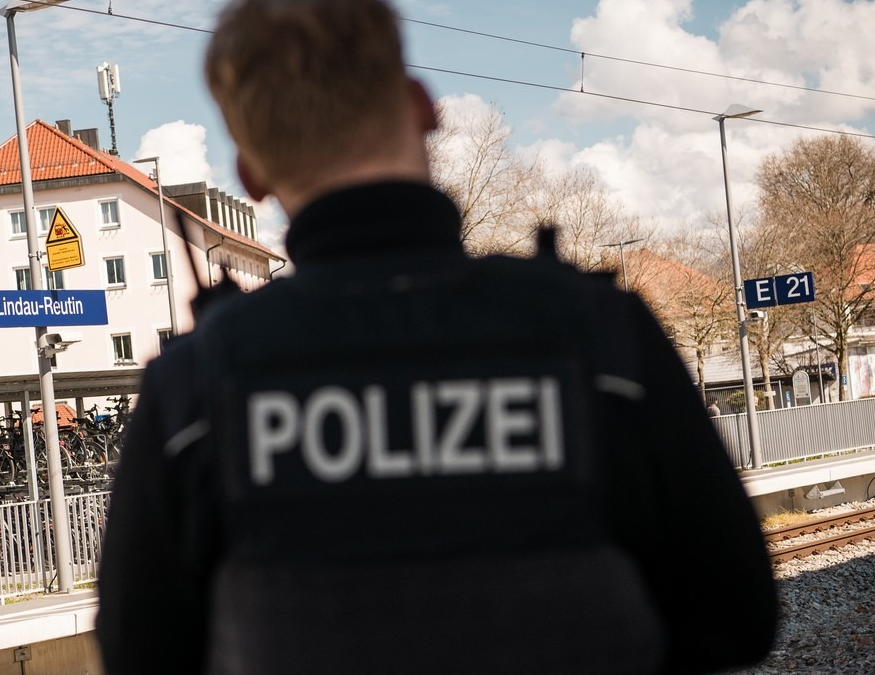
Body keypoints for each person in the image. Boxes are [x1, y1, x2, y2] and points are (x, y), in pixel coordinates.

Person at [95, 0, 777, 673]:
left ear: (252, 174)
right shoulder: (600, 339)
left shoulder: (193, 391)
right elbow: (736, 616)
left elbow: (140, 650)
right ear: (423, 105)